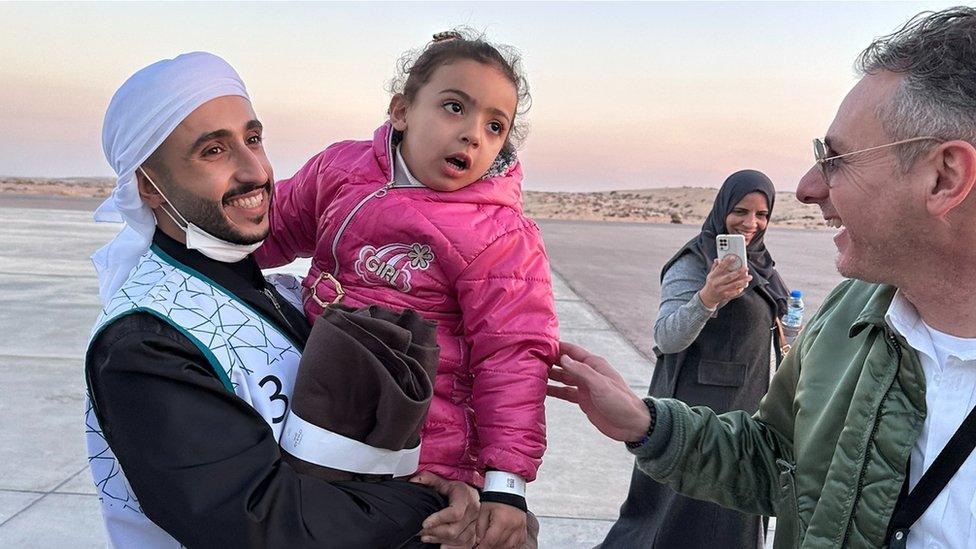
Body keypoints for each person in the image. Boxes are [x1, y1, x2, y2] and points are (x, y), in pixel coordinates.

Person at [548, 7, 976, 549]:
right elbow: (778, 461)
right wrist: (647, 423)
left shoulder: (782, 281)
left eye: (836, 159)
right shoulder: (848, 317)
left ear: (944, 177)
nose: (808, 188)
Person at [85, 51, 478, 548]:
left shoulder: (286, 295)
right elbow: (267, 523)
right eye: (213, 151)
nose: (255, 171)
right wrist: (431, 506)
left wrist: (446, 482)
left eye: (253, 140)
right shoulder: (145, 342)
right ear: (148, 186)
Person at [255, 30, 557, 548]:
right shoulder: (341, 170)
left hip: (423, 457)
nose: (472, 135)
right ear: (401, 110)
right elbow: (268, 231)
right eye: (454, 107)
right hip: (318, 421)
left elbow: (513, 357)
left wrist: (506, 487)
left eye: (494, 126)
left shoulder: (499, 236)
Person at [601, 170, 789, 548]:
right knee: (677, 511)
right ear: (721, 210)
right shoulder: (694, 262)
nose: (750, 223)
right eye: (740, 211)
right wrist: (708, 298)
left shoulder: (760, 264)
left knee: (733, 505)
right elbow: (667, 337)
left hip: (746, 405)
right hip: (696, 406)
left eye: (761, 214)